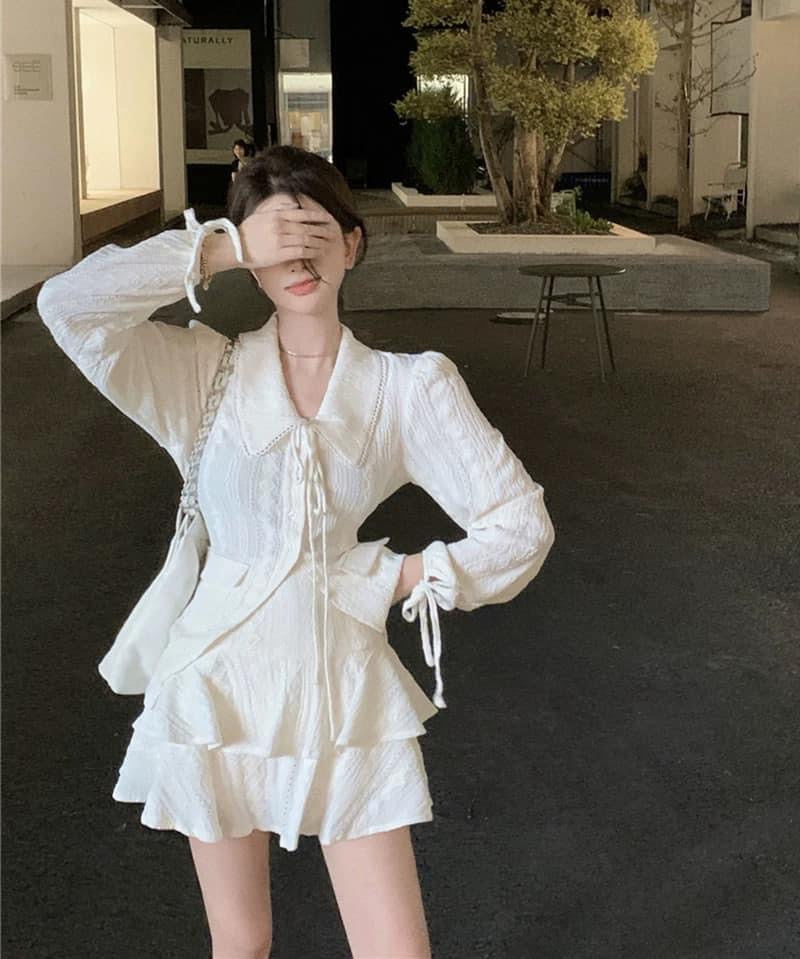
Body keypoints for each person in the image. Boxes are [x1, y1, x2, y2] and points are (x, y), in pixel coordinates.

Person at [37, 144, 555, 959]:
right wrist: (223, 246)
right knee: (241, 944)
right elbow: (68, 306)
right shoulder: (202, 373)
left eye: (316, 234)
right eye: (277, 241)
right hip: (217, 686)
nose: (299, 259)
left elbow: (520, 524)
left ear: (353, 244)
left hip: (344, 690)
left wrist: (396, 576)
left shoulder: (407, 387)